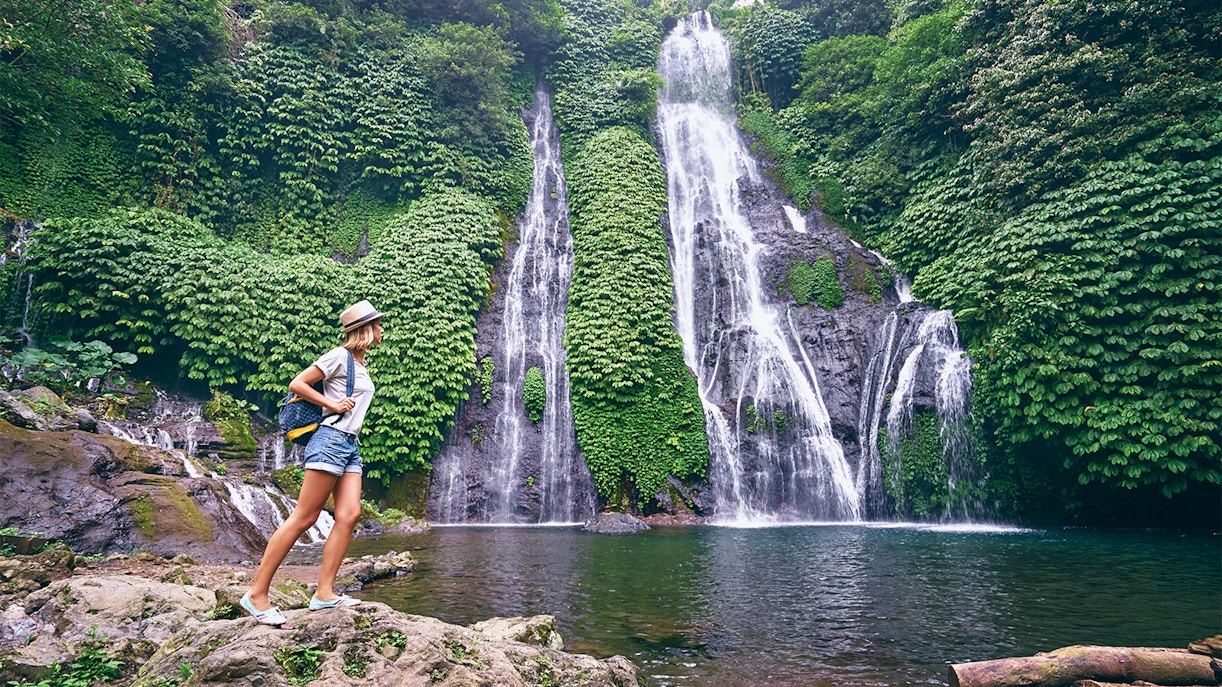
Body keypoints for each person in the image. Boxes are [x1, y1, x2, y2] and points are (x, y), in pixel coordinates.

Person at [240, 299, 384, 625]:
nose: (382, 330)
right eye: (378, 325)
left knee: (349, 514)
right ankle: (256, 595)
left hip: (350, 445)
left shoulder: (360, 365)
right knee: (304, 518)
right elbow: (297, 384)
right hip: (329, 441)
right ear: (364, 330)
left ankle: (324, 594)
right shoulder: (339, 356)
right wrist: (332, 403)